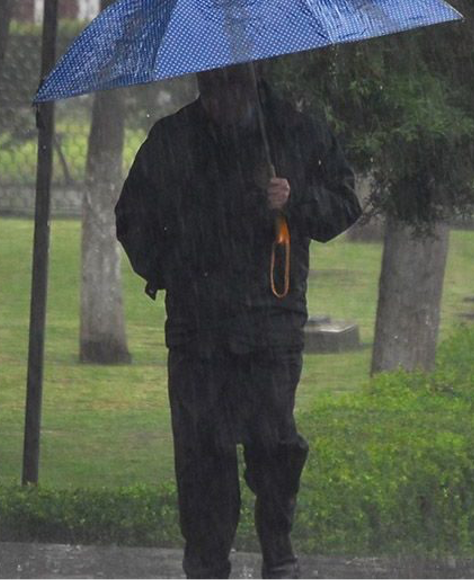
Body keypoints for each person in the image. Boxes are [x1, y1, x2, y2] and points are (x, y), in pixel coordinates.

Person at [115, 63, 362, 579]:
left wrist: (294, 200)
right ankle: (206, 562)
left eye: (229, 87)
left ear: (251, 80)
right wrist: (172, 269)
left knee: (273, 442)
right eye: (209, 88)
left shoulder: (296, 132)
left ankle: (279, 551)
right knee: (202, 452)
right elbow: (133, 217)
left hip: (271, 320)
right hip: (196, 325)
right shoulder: (174, 138)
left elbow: (343, 204)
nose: (218, 99)